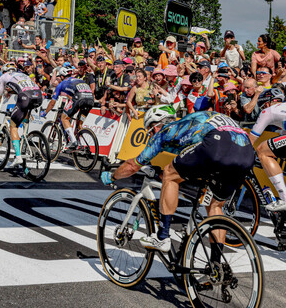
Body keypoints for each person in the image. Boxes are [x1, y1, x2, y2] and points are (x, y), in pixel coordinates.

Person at [101, 105, 255, 252]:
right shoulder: (188, 122)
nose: (151, 134)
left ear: (156, 125)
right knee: (215, 206)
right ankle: (216, 265)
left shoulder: (165, 131)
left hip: (217, 144)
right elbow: (188, 162)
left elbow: (132, 166)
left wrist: (112, 176)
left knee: (169, 173)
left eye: (150, 130)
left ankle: (162, 237)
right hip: (246, 151)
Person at [0, 62, 43, 167]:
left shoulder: (2, 77)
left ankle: (18, 156)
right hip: (38, 96)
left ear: (3, 71)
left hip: (25, 97)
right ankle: (24, 139)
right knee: (23, 115)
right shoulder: (22, 75)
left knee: (13, 126)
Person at [248, 88, 286, 211]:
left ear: (267, 103)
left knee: (262, 150)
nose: (262, 109)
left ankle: (284, 197)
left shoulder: (269, 111)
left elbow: (250, 140)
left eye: (262, 106)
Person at [41, 67, 94, 150]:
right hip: (90, 99)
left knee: (64, 118)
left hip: (79, 97)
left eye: (59, 77)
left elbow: (52, 103)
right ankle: (79, 143)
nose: (58, 79)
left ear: (62, 76)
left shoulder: (61, 84)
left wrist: (45, 112)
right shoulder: (78, 80)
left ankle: (73, 141)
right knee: (79, 124)